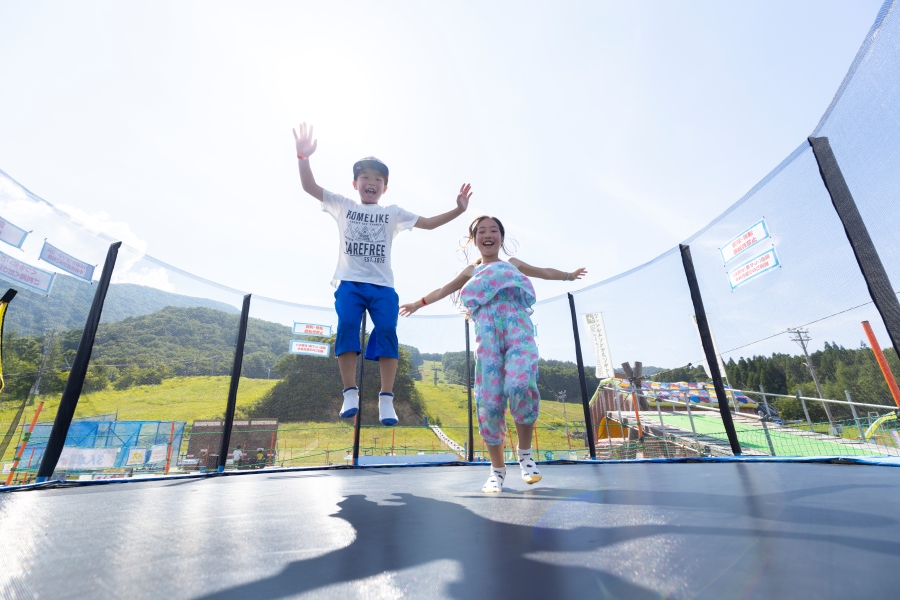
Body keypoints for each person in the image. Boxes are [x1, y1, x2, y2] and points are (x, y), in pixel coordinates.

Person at [294, 122, 472, 426]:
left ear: (385, 187)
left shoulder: (392, 213)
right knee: (348, 324)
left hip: (382, 287)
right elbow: (309, 187)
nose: (371, 182)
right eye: (365, 177)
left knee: (388, 330)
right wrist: (303, 157)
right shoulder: (343, 205)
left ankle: (385, 397)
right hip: (350, 283)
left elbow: (428, 223)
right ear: (355, 183)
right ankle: (350, 391)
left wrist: (459, 210)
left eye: (378, 178)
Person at [400, 216, 586, 492]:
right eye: (481, 231)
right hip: (486, 336)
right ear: (474, 240)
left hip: (518, 329)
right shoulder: (470, 272)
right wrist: (418, 303)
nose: (488, 235)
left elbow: (543, 271)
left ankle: (524, 455)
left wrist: (568, 275)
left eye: (493, 230)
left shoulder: (512, 264)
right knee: (490, 401)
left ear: (501, 237)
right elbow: (443, 289)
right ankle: (497, 470)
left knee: (521, 384)